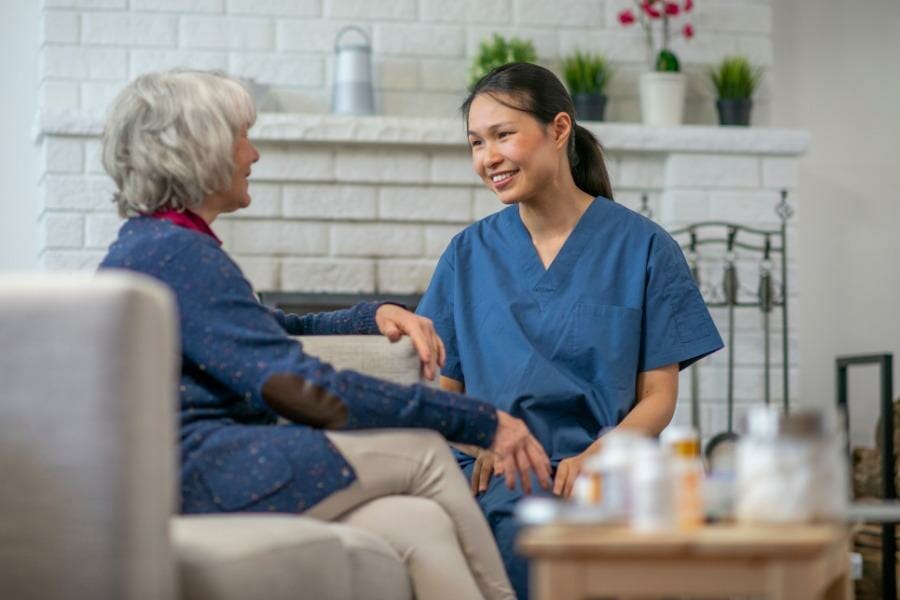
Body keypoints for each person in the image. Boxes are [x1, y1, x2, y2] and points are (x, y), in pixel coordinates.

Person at [98, 69, 553, 600]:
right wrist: (482, 421)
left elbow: (276, 330)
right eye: (242, 137)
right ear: (202, 148)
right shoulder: (179, 254)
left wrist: (370, 315)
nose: (253, 155)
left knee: (415, 525)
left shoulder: (156, 244)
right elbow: (303, 387)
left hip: (195, 471)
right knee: (427, 453)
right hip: (206, 474)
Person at [416, 62, 724, 598]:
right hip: (505, 472)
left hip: (608, 463)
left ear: (559, 130)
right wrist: (480, 437)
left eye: (503, 135)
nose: (488, 158)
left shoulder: (646, 248)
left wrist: (595, 459)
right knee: (524, 529)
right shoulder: (467, 254)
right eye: (475, 143)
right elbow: (446, 392)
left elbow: (658, 398)